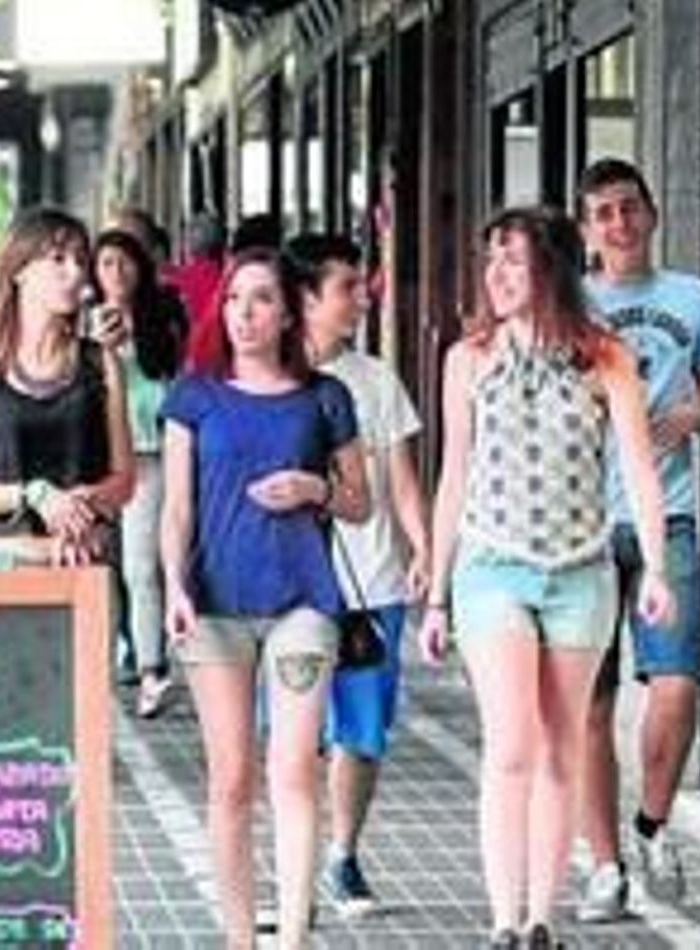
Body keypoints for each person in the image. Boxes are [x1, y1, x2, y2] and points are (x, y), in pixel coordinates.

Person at [417, 206, 674, 949]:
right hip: (492, 568)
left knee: (565, 748)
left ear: (551, 271)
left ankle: (538, 920)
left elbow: (636, 466)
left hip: (582, 573)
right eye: (490, 259)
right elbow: (453, 476)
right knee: (512, 746)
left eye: (513, 260)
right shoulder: (468, 358)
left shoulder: (607, 357)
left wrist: (656, 567)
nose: (496, 275)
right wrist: (436, 593)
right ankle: (502, 919)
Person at [159, 247, 371, 948]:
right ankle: (240, 936)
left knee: (293, 771)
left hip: (302, 604)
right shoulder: (195, 394)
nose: (243, 314)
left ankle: (294, 938)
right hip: (213, 607)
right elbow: (177, 510)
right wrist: (173, 589)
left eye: (260, 300)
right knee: (230, 782)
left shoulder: (325, 397)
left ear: (288, 313)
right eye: (233, 299)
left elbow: (361, 504)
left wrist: (314, 490)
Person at [575, 157, 700, 921]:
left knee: (677, 683)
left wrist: (690, 419)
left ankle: (652, 825)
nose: (619, 224)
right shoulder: (571, 303)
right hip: (581, 525)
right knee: (590, 704)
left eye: (629, 209)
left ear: (653, 214)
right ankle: (604, 867)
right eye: (603, 213)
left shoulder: (693, 297)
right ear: (586, 230)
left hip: (667, 516)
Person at [286, 233, 429, 918]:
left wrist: (427, 553)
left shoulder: (376, 380)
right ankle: (298, 860)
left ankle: (343, 855)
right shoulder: (267, 379)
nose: (362, 295)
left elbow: (403, 484)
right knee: (295, 735)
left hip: (372, 581)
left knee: (362, 735)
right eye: (347, 285)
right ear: (307, 298)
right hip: (287, 591)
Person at [0, 208, 135, 570]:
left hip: (83, 559)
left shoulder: (101, 362)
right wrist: (35, 494)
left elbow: (124, 480)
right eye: (58, 260)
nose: (75, 272)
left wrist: (82, 501)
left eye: (81, 260)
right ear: (20, 271)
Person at [89, 227, 187, 715]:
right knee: (109, 567)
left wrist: (135, 337)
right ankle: (124, 654)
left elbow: (178, 376)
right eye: (105, 263)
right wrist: (99, 344)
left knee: (145, 566)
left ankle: (154, 668)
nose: (116, 272)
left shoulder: (163, 314)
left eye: (124, 261)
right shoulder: (84, 322)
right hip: (101, 459)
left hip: (154, 454)